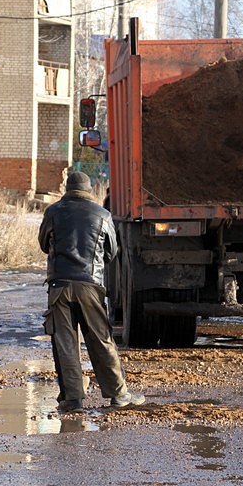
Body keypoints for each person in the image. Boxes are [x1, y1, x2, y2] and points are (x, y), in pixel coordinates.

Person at [38, 172, 145, 413]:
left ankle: (72, 399)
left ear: (67, 189)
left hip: (59, 286)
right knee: (101, 340)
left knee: (65, 343)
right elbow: (112, 252)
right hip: (90, 285)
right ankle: (119, 395)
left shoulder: (53, 212)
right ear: (88, 190)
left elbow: (44, 244)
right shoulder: (102, 214)